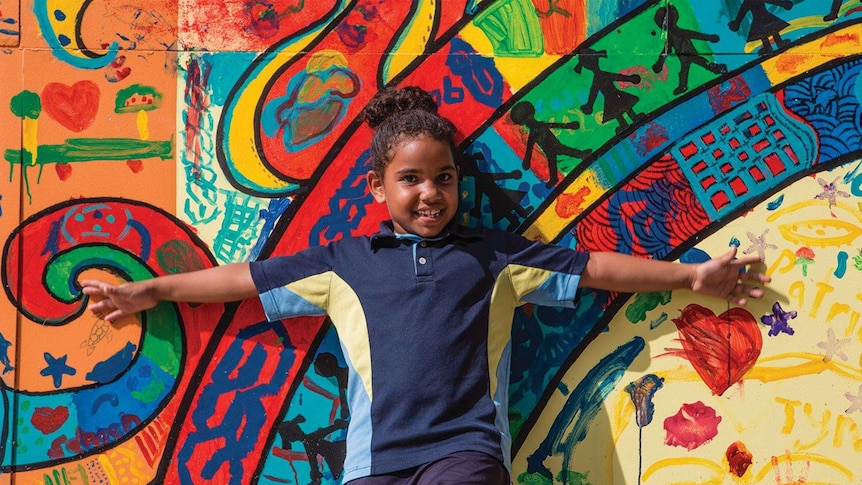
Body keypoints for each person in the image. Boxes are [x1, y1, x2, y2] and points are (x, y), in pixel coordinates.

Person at [82, 86, 770, 484]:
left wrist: (692, 275)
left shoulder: (493, 256)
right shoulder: (345, 260)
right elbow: (245, 278)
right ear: (379, 187)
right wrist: (157, 289)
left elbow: (592, 268)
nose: (430, 193)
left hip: (463, 453)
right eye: (411, 179)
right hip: (372, 464)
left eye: (444, 177)